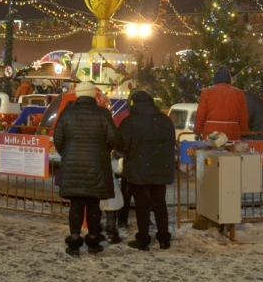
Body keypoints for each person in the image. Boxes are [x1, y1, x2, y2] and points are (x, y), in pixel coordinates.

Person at [53, 81, 123, 256]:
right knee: (93, 204)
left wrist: (68, 153)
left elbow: (58, 139)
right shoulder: (103, 113)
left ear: (78, 95)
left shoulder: (67, 113)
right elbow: (114, 138)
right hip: (97, 164)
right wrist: (104, 150)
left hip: (73, 164)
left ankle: (75, 242)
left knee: (76, 204)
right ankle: (93, 241)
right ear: (93, 95)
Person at [118, 90, 175, 250]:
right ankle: (164, 238)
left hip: (139, 169)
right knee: (159, 203)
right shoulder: (165, 120)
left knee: (142, 206)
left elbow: (121, 145)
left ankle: (143, 239)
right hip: (161, 169)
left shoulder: (130, 122)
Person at [194, 65, 249, 141]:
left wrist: (197, 131)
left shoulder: (207, 92)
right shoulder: (239, 94)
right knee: (230, 152)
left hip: (211, 134)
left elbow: (201, 114)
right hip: (232, 133)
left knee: (211, 152)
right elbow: (243, 117)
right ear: (229, 79)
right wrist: (244, 133)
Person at [100, 152, 124, 244]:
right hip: (111, 187)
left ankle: (97, 232)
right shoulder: (110, 158)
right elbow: (118, 170)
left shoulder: (96, 155)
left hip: (97, 187)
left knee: (96, 212)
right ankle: (111, 235)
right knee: (111, 213)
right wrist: (121, 161)